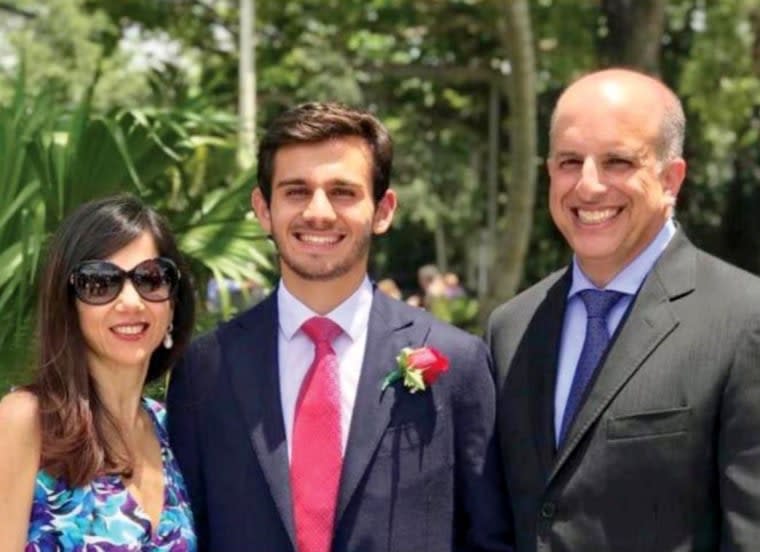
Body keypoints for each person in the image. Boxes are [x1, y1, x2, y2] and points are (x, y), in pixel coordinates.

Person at [168, 102, 512, 552]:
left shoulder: (458, 364)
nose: (318, 212)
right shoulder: (205, 369)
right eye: (295, 191)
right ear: (263, 208)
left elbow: (489, 539)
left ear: (383, 210)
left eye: (342, 192)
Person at [487, 67, 760, 551]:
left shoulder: (744, 319)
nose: (588, 186)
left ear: (671, 177)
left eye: (617, 161)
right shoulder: (511, 327)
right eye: (570, 162)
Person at [0, 195, 197, 550]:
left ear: (173, 302)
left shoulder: (174, 429)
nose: (131, 302)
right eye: (100, 283)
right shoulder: (25, 420)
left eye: (150, 279)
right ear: (68, 305)